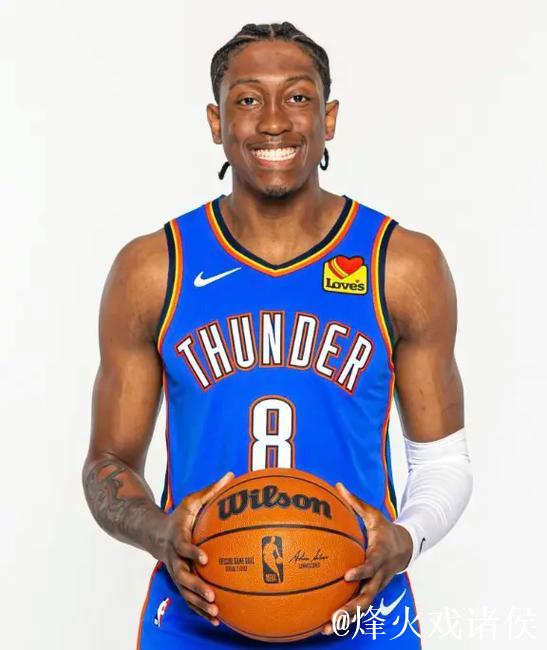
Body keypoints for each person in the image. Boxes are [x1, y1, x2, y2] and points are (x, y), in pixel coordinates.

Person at [82, 21, 473, 649]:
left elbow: (443, 461)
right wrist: (160, 532)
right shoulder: (155, 268)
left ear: (329, 118)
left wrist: (405, 538)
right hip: (197, 617)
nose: (272, 121)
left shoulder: (399, 263)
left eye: (297, 96)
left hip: (361, 613)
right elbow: (107, 463)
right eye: (247, 99)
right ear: (216, 122)